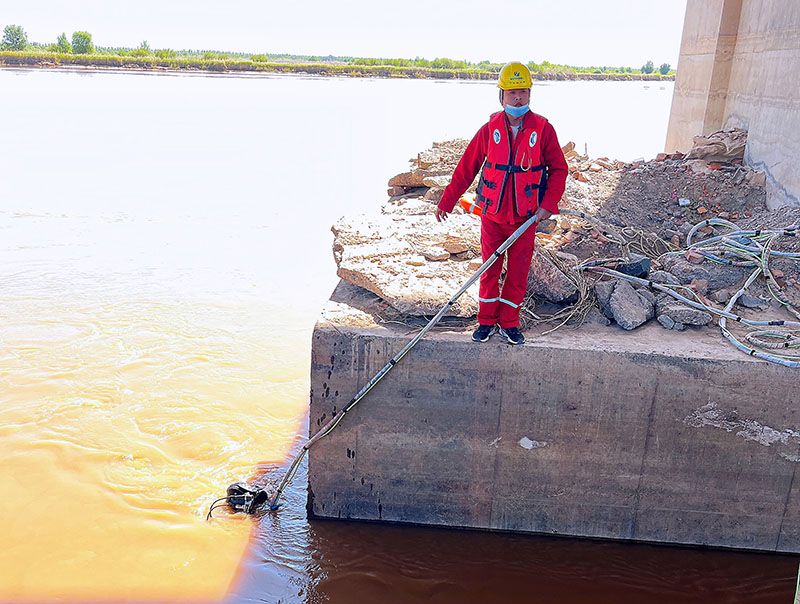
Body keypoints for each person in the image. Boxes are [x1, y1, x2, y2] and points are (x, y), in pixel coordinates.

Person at [435, 61, 568, 345]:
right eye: (512, 93)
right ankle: (485, 322)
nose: (518, 98)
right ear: (501, 95)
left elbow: (559, 169)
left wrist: (548, 204)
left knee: (518, 273)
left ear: (530, 93)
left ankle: (509, 323)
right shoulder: (489, 129)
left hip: (525, 218)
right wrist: (447, 201)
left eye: (522, 92)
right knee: (489, 270)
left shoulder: (543, 129)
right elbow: (467, 167)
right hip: (493, 216)